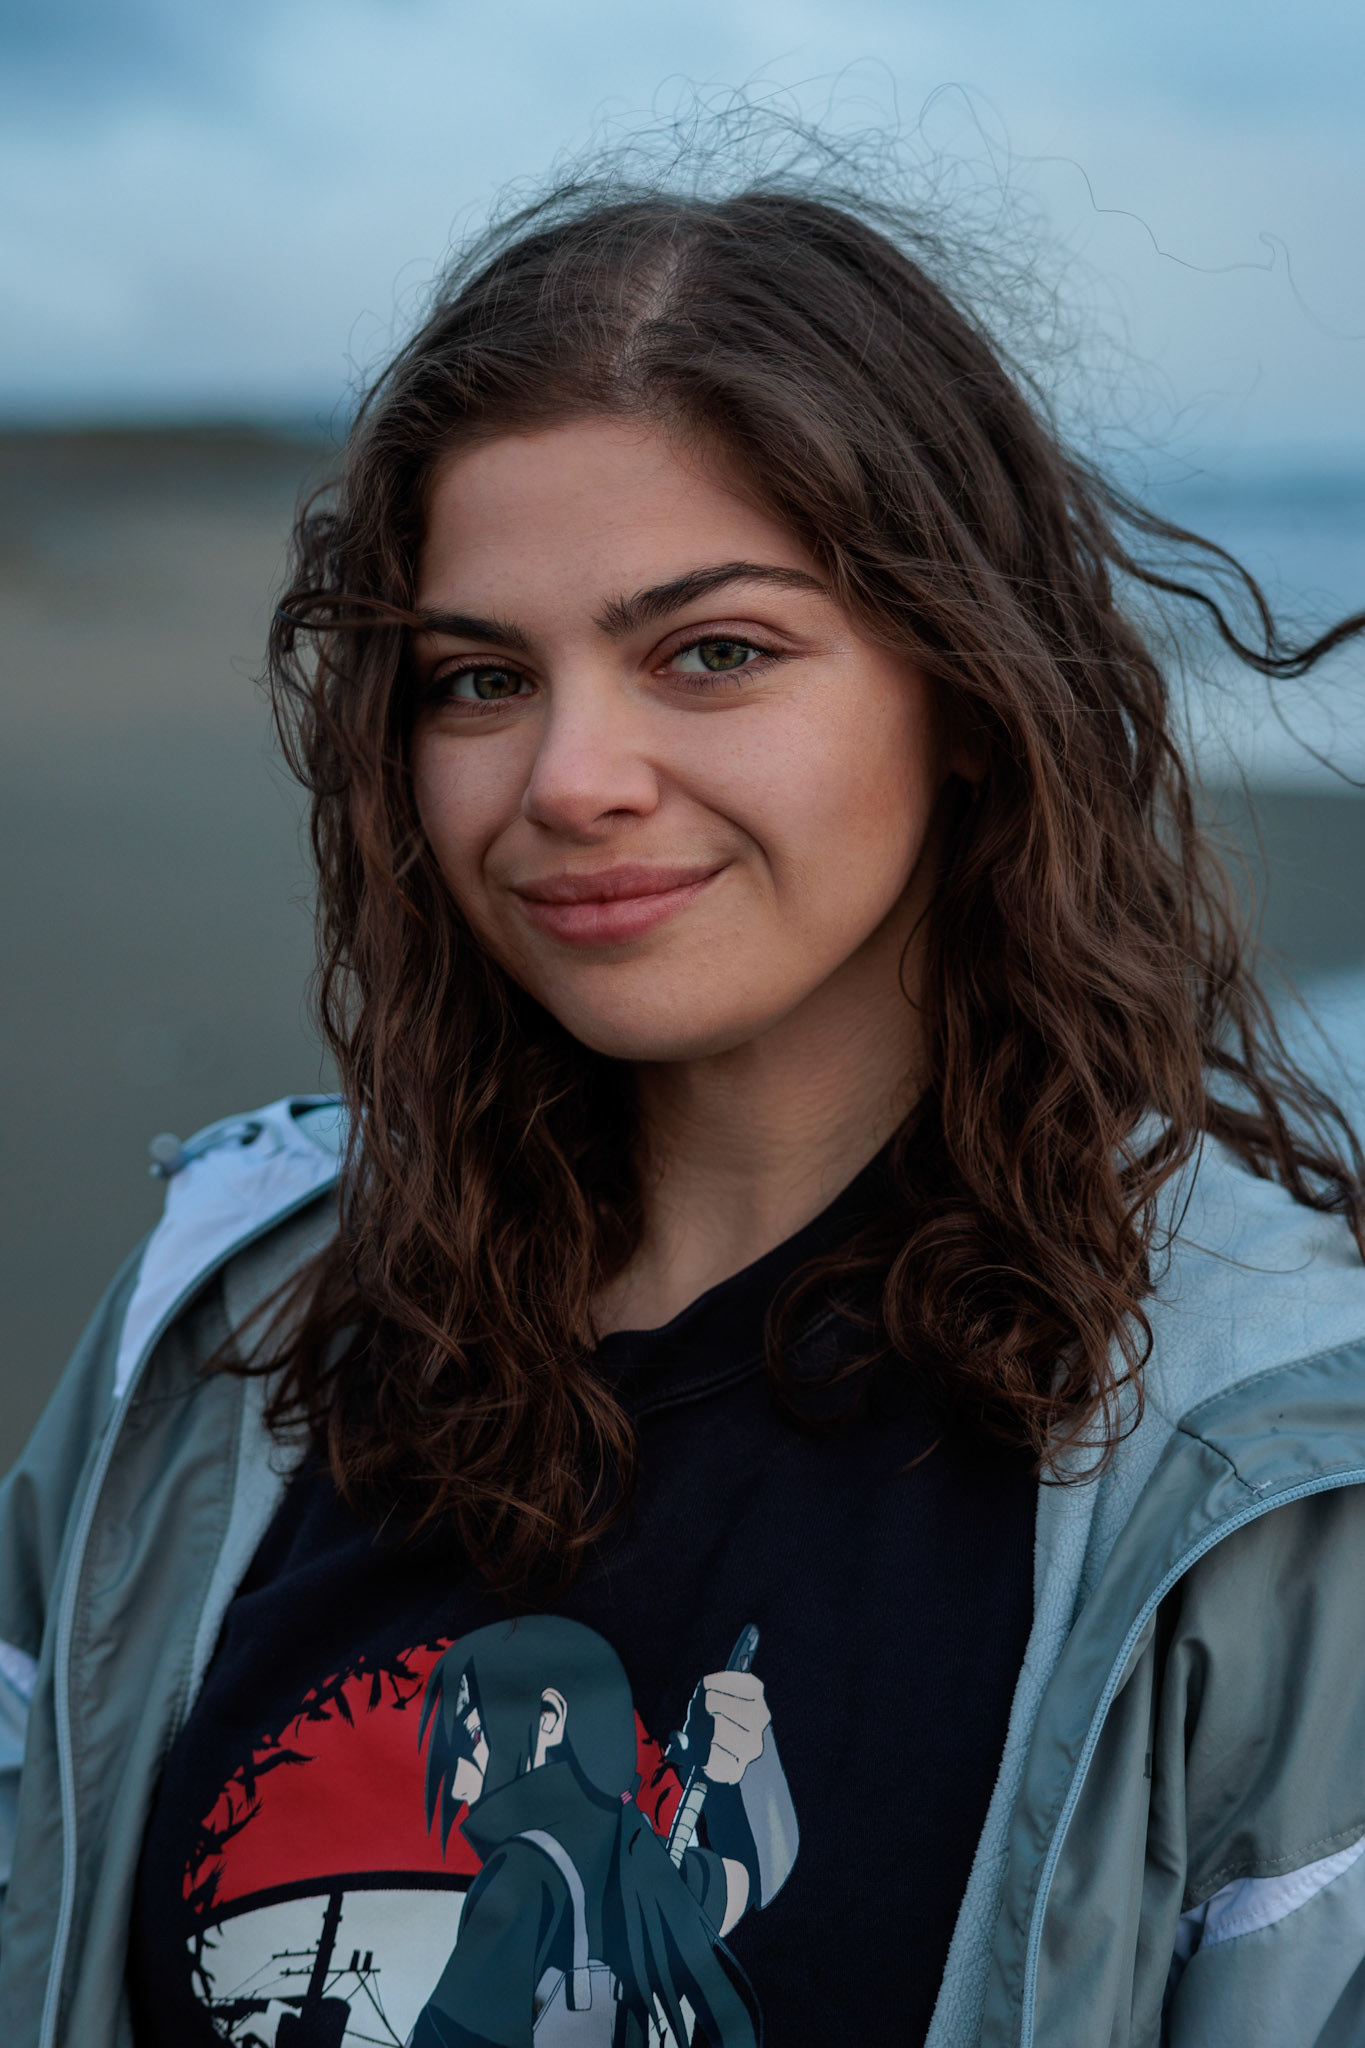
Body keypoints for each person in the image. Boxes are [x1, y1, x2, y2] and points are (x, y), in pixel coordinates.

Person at [1, 144, 1364, 2048]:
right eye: (480, 679)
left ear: (967, 694)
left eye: (711, 653)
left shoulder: (1262, 1458)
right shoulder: (227, 1323)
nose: (571, 778)